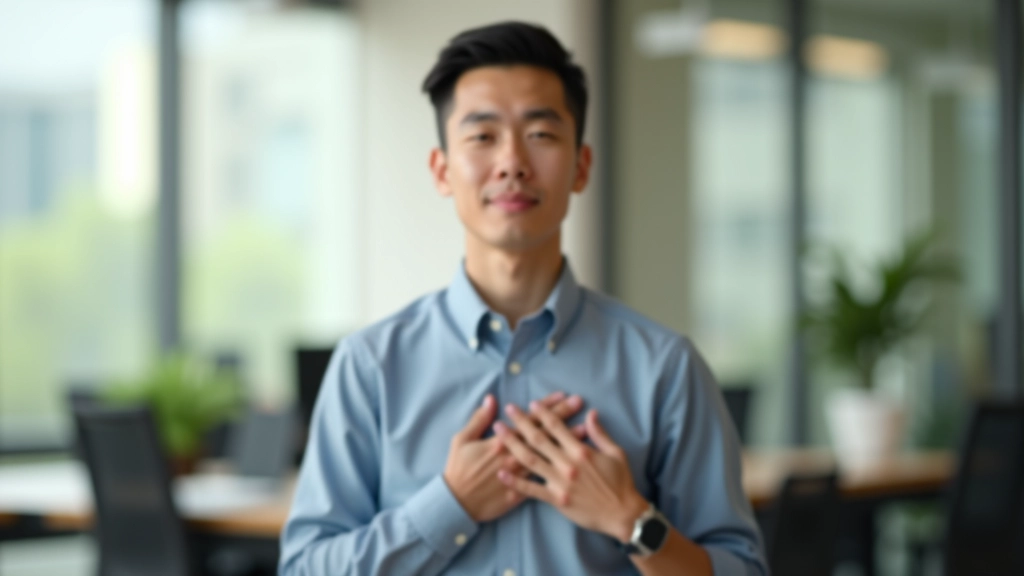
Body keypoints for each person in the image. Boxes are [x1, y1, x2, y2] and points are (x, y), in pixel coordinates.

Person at [279, 21, 766, 576]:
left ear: (581, 167)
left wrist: (631, 520)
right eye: (482, 136)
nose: (512, 162)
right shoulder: (370, 367)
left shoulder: (664, 368)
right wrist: (449, 507)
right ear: (442, 171)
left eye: (540, 134)